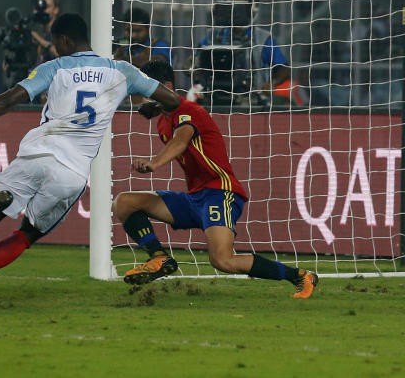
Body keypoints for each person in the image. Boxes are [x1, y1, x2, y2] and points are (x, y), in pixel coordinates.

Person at [0, 13, 181, 303]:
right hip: (71, 172)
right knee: (26, 235)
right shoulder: (123, 71)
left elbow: (8, 99)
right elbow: (173, 100)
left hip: (37, 154)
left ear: (64, 40)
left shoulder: (54, 68)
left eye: (55, 43)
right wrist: (153, 107)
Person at [114, 61, 318, 298]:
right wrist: (157, 107)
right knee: (125, 202)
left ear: (165, 86)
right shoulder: (163, 120)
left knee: (223, 260)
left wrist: (154, 163)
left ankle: (301, 276)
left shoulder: (190, 110)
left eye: (144, 90)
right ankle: (159, 259)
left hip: (221, 192)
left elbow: (181, 140)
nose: (139, 98)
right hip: (194, 198)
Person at [195, 0, 289, 107]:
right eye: (230, 4)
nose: (233, 9)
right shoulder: (212, 36)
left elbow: (284, 69)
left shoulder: (263, 38)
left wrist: (272, 84)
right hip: (214, 100)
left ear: (250, 9)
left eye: (238, 5)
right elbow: (196, 61)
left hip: (252, 102)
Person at [29, 0, 61, 65]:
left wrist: (41, 41)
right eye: (39, 6)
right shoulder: (40, 34)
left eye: (46, 6)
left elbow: (63, 55)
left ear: (56, 10)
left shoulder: (62, 33)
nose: (42, 10)